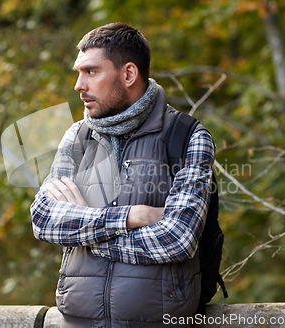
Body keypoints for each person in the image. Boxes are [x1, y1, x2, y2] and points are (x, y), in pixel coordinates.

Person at [30, 22, 216, 328]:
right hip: (77, 322)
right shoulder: (77, 137)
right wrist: (132, 216)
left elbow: (176, 240)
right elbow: (44, 220)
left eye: (91, 72)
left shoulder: (187, 137)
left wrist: (84, 230)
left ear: (128, 74)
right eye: (79, 72)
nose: (78, 85)